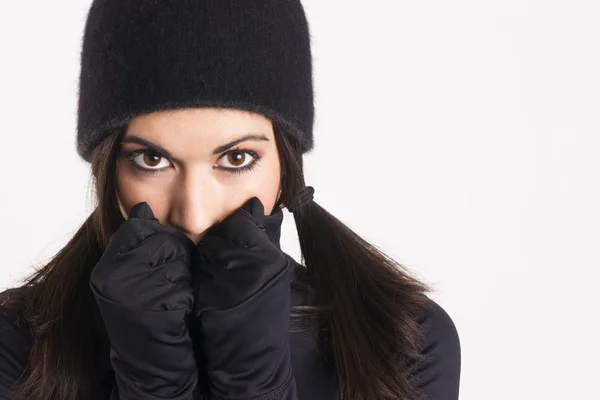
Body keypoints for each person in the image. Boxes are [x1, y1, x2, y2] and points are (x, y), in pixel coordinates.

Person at [0, 1, 461, 399]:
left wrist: (254, 382)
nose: (195, 214)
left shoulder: (401, 340)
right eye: (152, 159)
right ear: (108, 171)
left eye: (236, 157)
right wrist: (152, 384)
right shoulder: (19, 342)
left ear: (286, 166)